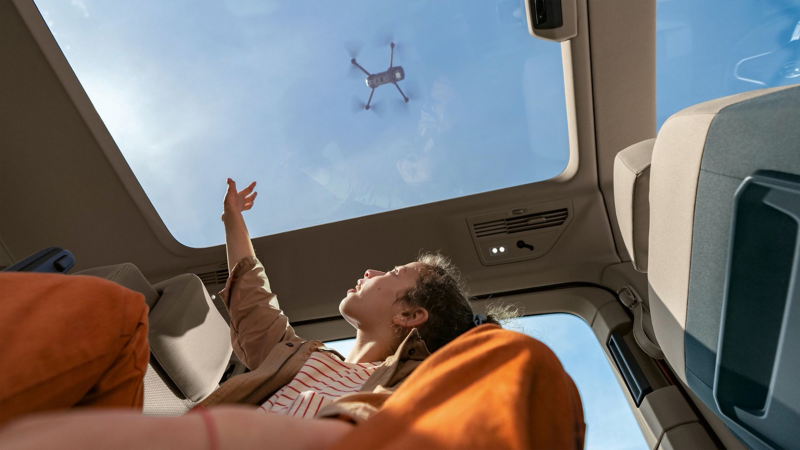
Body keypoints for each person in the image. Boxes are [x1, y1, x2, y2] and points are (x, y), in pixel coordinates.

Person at [0, 179, 585, 449]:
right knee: (114, 308)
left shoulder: (428, 383)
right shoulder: (295, 356)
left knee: (513, 357)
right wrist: (234, 222)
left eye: (395, 275)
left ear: (411, 316)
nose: (372, 271)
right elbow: (253, 297)